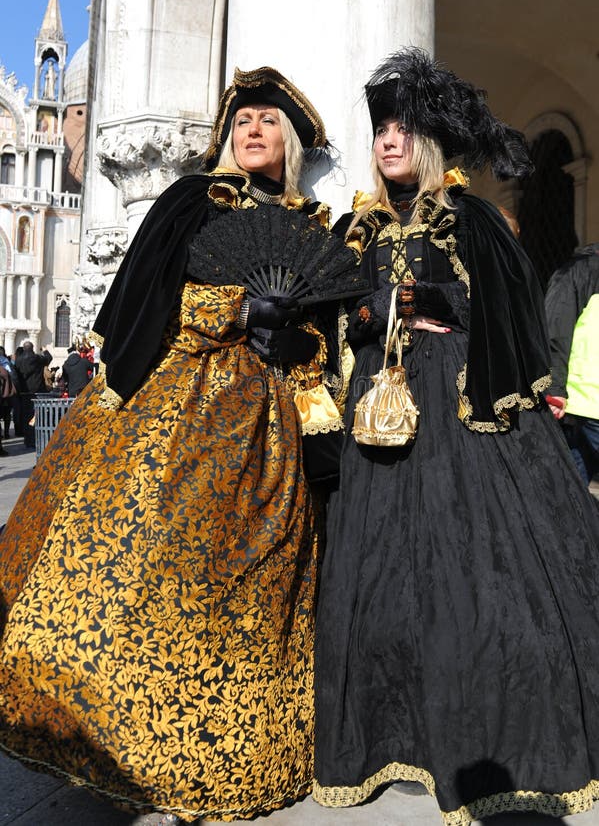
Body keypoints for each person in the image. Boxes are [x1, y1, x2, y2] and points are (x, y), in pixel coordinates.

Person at [0, 67, 344, 822]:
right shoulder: (193, 200)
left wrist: (293, 333)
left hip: (266, 430)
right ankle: (108, 732)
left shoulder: (311, 226)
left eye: (267, 122)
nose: (253, 131)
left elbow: (321, 342)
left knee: (243, 577)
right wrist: (236, 305)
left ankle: (217, 748)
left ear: (287, 140)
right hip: (176, 403)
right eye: (242, 120)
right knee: (143, 558)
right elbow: (152, 300)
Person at [313, 48, 599, 825]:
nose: (389, 141)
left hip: (464, 420)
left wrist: (445, 297)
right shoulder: (356, 227)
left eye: (403, 128)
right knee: (383, 580)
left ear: (429, 141)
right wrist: (379, 309)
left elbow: (509, 318)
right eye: (379, 131)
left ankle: (489, 728)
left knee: (472, 577)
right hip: (382, 424)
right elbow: (336, 316)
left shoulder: (469, 215)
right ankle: (390, 735)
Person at [545, 242, 599, 485]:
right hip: (587, 401)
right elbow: (555, 330)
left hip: (587, 402)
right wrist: (555, 389)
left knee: (573, 486)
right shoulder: (579, 272)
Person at [13, 340, 52, 448]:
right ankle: (35, 438)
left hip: (25, 392)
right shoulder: (37, 358)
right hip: (37, 391)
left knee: (26, 416)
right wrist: (45, 351)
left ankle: (28, 439)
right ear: (32, 348)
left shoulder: (18, 360)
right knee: (37, 416)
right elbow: (49, 358)